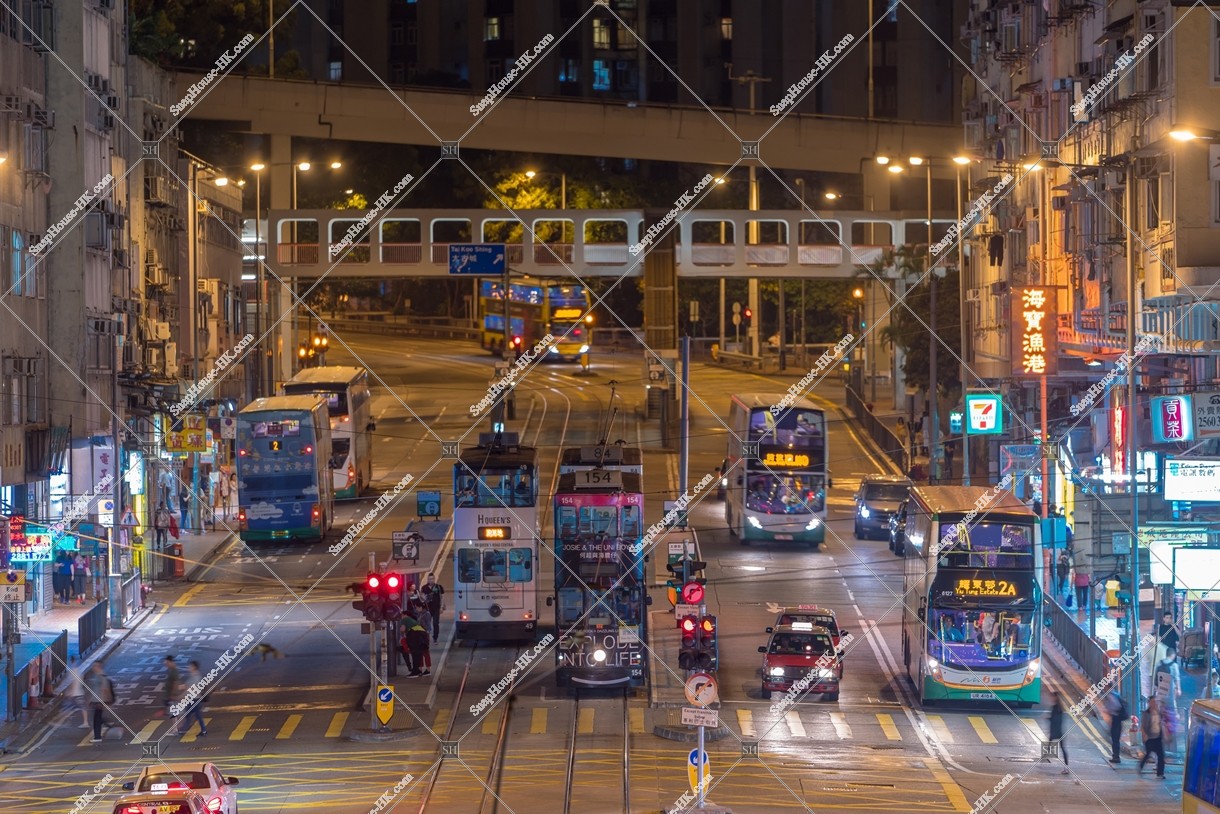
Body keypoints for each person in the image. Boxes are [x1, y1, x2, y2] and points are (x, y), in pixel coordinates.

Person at [85, 661, 115, 742]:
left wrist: (104, 702)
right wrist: (90, 700)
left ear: (99, 666)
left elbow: (105, 689)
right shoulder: (96, 675)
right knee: (98, 718)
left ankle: (98, 737)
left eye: (95, 666)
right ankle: (108, 726)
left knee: (97, 720)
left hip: (99, 701)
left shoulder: (102, 676)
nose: (93, 667)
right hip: (96, 700)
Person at [175, 661, 207, 736]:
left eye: (190, 666)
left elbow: (189, 689)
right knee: (191, 715)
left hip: (194, 699)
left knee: (194, 715)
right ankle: (184, 729)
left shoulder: (195, 677)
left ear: (194, 667)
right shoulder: (194, 676)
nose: (188, 668)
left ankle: (202, 730)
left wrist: (180, 696)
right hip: (194, 699)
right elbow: (186, 686)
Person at [1139, 698, 1166, 778]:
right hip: (1149, 737)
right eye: (1152, 702)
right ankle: (1140, 766)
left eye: (1155, 702)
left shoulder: (1159, 712)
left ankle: (1160, 773)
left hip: (1158, 738)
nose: (1154, 703)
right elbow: (1143, 726)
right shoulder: (1146, 713)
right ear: (1149, 703)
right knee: (1148, 754)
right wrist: (1144, 736)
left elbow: (1162, 724)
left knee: (1161, 756)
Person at [1047, 688, 1070, 775]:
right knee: (1063, 749)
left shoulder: (1056, 708)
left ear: (1055, 698)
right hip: (1059, 731)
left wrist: (1049, 719)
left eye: (1052, 697)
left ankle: (1066, 768)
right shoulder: (1060, 707)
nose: (1050, 699)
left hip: (1056, 731)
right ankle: (1066, 768)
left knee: (1060, 748)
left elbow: (1055, 720)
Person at [1103, 687, 1128, 763]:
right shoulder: (1116, 695)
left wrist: (1110, 711)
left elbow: (1117, 706)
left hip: (1116, 719)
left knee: (1115, 739)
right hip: (1117, 719)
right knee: (1115, 739)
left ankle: (1116, 757)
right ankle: (1115, 756)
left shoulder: (1111, 696)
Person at [421, 573, 445, 643]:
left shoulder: (439, 587)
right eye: (429, 579)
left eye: (432, 579)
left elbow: (442, 597)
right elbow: (422, 597)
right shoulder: (424, 588)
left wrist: (441, 607)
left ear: (434, 579)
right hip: (427, 608)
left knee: (435, 623)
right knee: (426, 624)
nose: (430, 580)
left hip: (436, 608)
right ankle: (425, 637)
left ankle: (435, 637)